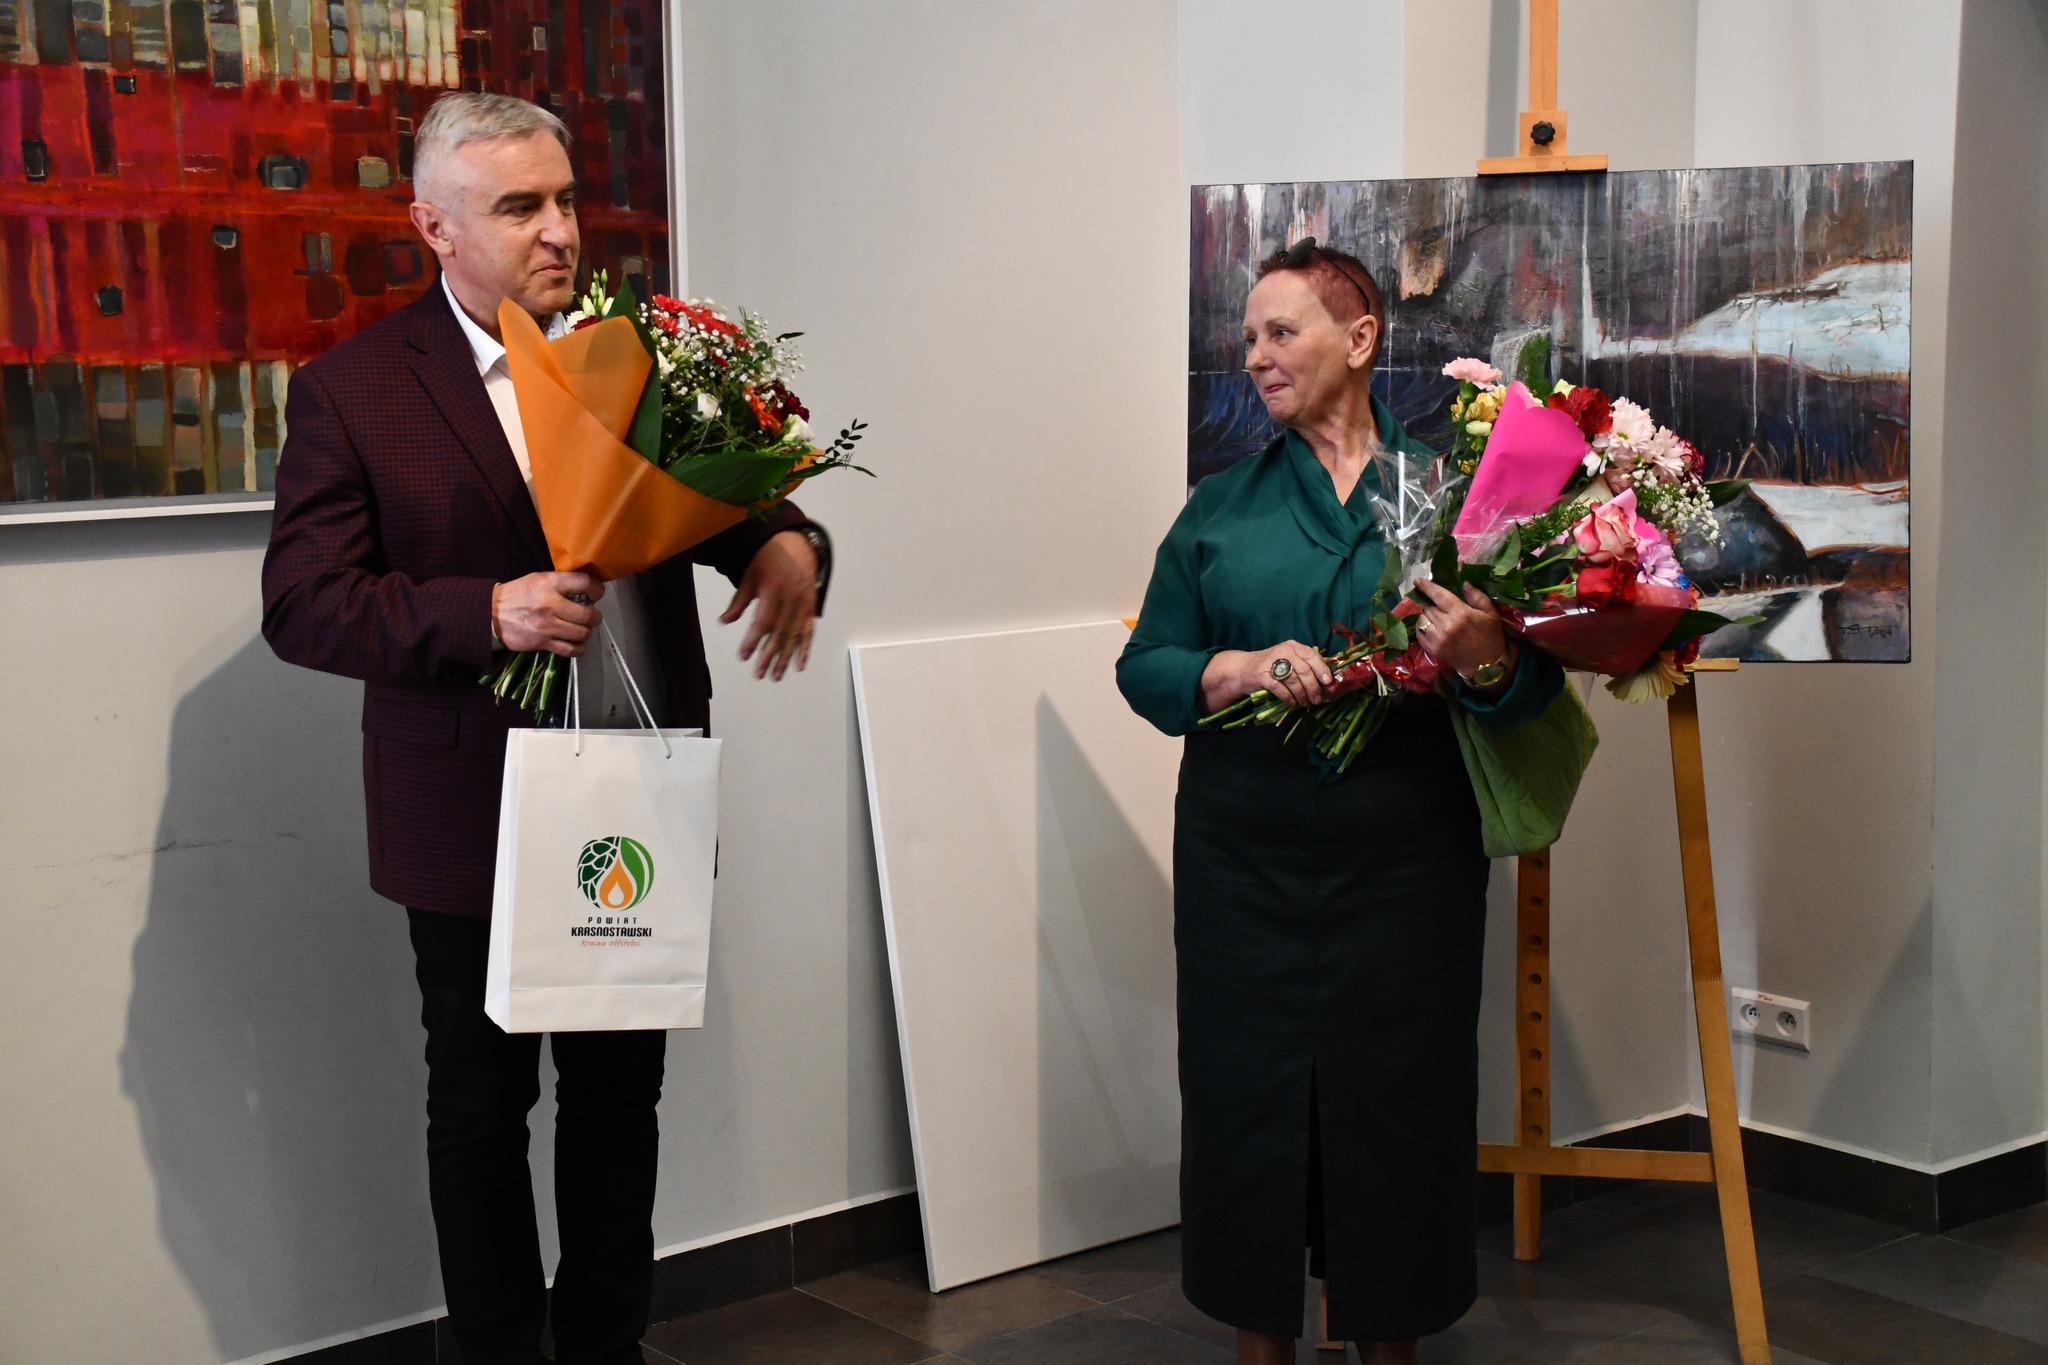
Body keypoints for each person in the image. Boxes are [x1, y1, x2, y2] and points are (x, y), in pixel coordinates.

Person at [261, 93, 830, 1365]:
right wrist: (486, 611)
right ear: (434, 227)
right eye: (519, 207)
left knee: (622, 1104)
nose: (560, 231)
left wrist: (791, 540)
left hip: (636, 790)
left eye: (565, 200)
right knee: (480, 1111)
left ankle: (605, 1350)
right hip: (470, 810)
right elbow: (301, 604)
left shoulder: (646, 359)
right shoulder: (355, 392)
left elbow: (736, 502)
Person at [1116, 240, 1563, 1365]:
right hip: (1242, 868)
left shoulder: (1453, 499)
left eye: (1282, 332)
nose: (1255, 356)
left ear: (1359, 340)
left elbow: (1531, 694)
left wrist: (1482, 655)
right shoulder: (1218, 508)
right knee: (1246, 1107)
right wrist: (1231, 668)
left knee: (1398, 1110)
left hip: (1406, 865)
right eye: (1248, 337)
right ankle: (1259, 1348)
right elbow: (1146, 666)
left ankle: (1388, 1347)